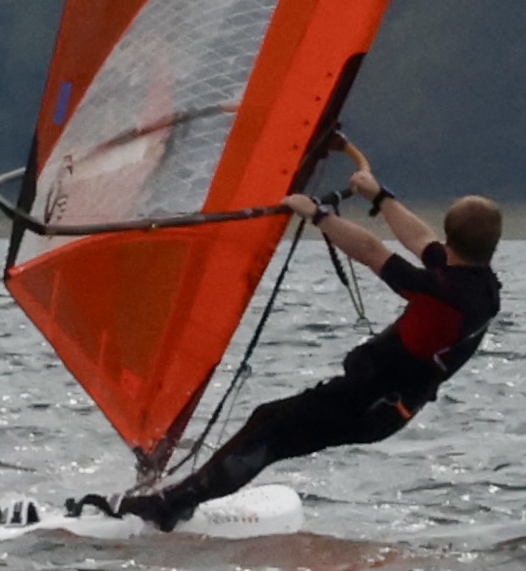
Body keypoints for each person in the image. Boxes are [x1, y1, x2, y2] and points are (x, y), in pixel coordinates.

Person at [120, 155, 501, 531]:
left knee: (270, 429)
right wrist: (379, 196)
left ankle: (171, 506)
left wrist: (317, 215)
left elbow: (372, 252)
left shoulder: (442, 292)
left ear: (452, 237)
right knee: (269, 422)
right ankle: (178, 500)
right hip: (376, 401)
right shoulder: (478, 282)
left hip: (372, 406)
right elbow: (421, 240)